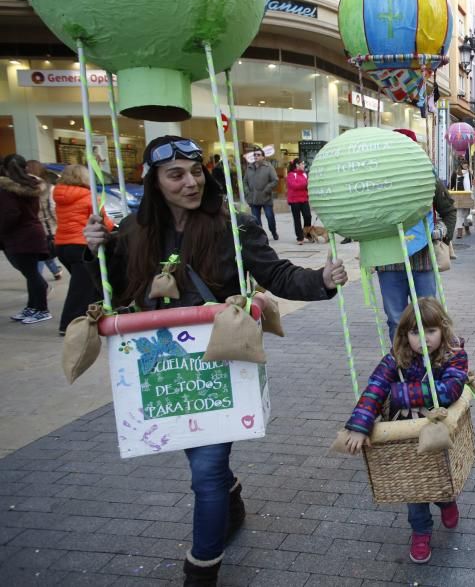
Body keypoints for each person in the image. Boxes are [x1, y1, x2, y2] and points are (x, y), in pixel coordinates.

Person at [82, 135, 348, 585]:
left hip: (221, 362)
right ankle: (231, 495)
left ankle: (201, 570)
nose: (191, 182)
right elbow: (111, 292)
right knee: (202, 461)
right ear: (155, 182)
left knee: (203, 471)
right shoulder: (132, 231)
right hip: (164, 367)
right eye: (176, 175)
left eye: (195, 172)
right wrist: (96, 253)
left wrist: (320, 279)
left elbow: (277, 273)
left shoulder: (234, 225)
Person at [343, 297, 468, 564]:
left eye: (431, 331)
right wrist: (360, 425)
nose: (423, 340)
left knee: (437, 476)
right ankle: (420, 531)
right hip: (406, 434)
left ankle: (446, 502)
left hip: (434, 430)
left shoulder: (454, 356)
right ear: (405, 334)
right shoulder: (397, 359)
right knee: (413, 486)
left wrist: (400, 393)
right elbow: (376, 387)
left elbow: (449, 390)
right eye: (415, 332)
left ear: (442, 330)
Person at [376, 129, 456, 338]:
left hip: (422, 259)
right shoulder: (376, 182)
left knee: (428, 318)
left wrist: (439, 232)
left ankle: (429, 365)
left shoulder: (427, 178)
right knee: (396, 320)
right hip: (388, 260)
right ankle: (401, 367)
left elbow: (448, 211)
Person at [52, 164, 114, 335]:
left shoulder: (59, 196)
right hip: (81, 245)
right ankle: (68, 325)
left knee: (89, 284)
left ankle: (93, 315)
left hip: (62, 245)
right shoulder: (89, 197)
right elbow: (103, 222)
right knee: (80, 290)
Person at [1, 154, 52, 324]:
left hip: (19, 237)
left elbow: (10, 214)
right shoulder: (31, 187)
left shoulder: (7, 191)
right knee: (31, 273)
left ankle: (41, 308)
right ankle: (33, 306)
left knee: (32, 274)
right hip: (32, 234)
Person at [25, 160, 62, 282]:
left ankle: (54, 271)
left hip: (28, 226)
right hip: (45, 227)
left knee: (41, 252)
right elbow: (52, 208)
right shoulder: (48, 188)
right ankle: (39, 282)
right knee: (41, 254)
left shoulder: (22, 188)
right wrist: (58, 224)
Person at [244, 146, 278, 240]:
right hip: (253, 198)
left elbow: (275, 180)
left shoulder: (268, 167)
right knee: (256, 220)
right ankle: (261, 236)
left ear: (263, 157)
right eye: (254, 155)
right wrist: (247, 192)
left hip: (265, 198)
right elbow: (245, 182)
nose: (256, 157)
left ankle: (273, 231)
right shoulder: (249, 168)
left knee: (270, 217)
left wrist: (267, 189)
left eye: (258, 155)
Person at [285, 158, 312, 245]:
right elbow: (294, 186)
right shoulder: (291, 175)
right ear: (297, 165)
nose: (303, 165)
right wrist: (306, 184)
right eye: (302, 164)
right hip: (294, 200)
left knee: (308, 216)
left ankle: (306, 233)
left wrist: (307, 185)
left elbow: (308, 185)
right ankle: (299, 237)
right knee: (297, 219)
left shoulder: (305, 174)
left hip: (304, 199)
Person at [449, 159, 473, 239]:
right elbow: (451, 185)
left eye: (467, 163)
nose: (466, 165)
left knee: (466, 213)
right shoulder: (456, 173)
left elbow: (472, 183)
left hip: (468, 195)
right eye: (464, 164)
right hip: (459, 195)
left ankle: (466, 228)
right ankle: (459, 231)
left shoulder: (469, 173)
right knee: (459, 214)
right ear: (461, 164)